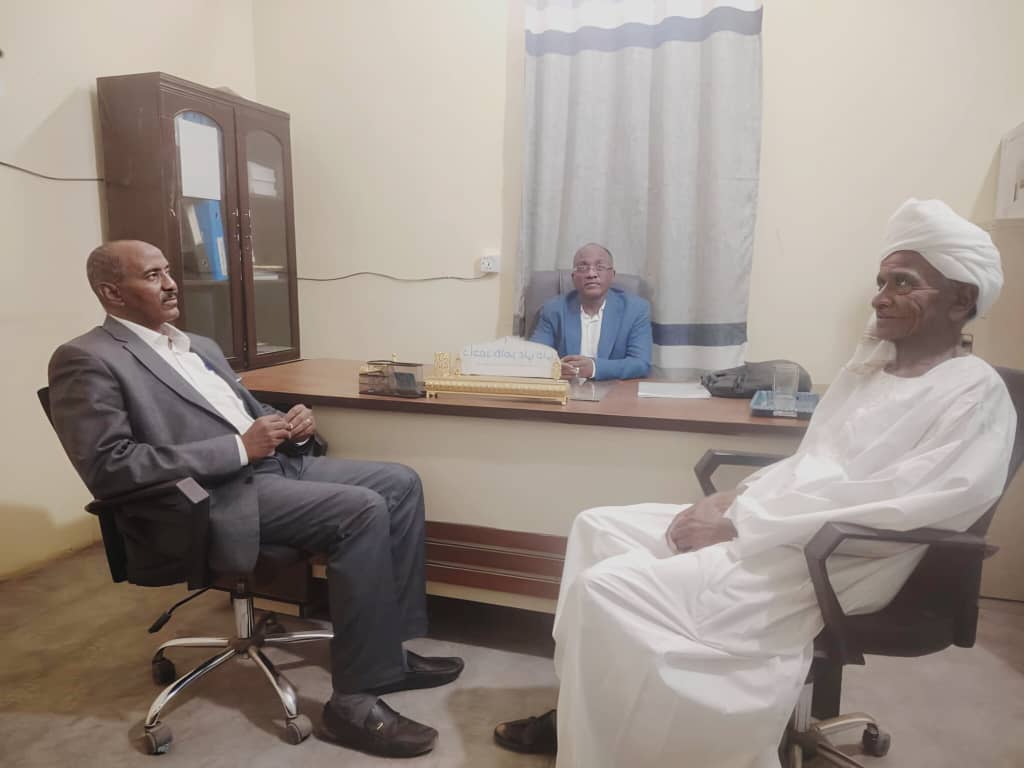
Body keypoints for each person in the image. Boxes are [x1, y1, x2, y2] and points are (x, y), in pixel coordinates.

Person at [495, 199, 1016, 768]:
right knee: (596, 526)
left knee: (607, 590)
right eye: (881, 281)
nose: (880, 297)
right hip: (784, 527)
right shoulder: (871, 371)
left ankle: (625, 745)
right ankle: (587, 708)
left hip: (838, 560)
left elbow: (889, 508)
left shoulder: (973, 394)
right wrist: (738, 496)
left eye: (903, 283)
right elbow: (814, 464)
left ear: (961, 299)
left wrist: (739, 523)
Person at [48, 240, 461, 759]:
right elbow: (109, 466)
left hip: (273, 465)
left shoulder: (197, 345)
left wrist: (291, 423)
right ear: (112, 293)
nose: (171, 284)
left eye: (168, 272)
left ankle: (385, 657)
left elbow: (242, 408)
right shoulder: (86, 358)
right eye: (152, 276)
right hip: (208, 497)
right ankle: (352, 703)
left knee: (399, 483)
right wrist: (238, 448)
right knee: (359, 510)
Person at [530, 243, 652, 380]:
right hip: (567, 388)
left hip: (615, 390)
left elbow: (641, 364)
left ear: (612, 275)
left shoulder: (635, 309)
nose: (591, 274)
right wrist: (555, 369)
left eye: (600, 267)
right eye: (583, 268)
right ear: (573, 277)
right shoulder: (553, 309)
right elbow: (535, 359)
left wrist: (594, 368)